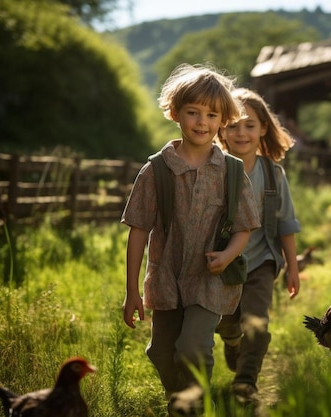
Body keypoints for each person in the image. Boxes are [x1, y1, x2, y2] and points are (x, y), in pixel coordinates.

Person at [120, 64, 261, 410]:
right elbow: (138, 230)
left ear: (223, 119)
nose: (202, 122)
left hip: (211, 281)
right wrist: (131, 291)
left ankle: (195, 406)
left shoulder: (231, 171)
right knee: (160, 352)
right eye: (193, 112)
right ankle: (180, 397)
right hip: (166, 279)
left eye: (211, 114)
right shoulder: (156, 170)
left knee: (193, 349)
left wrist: (228, 256)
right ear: (175, 113)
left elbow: (244, 226)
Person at [217, 88, 301, 403]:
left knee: (257, 320)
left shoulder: (272, 173)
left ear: (263, 128)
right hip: (223, 263)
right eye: (234, 125)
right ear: (222, 129)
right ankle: (231, 340)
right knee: (227, 324)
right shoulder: (215, 169)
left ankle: (246, 382)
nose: (242, 132)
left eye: (249, 125)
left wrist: (292, 267)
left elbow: (286, 223)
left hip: (261, 260)